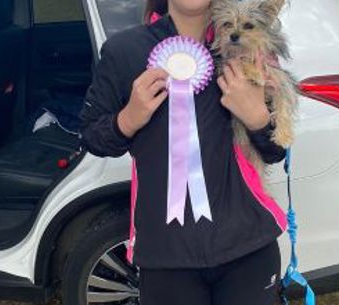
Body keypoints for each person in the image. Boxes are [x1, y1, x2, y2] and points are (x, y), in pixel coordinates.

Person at [78, 0, 288, 304]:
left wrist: (256, 119)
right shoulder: (125, 51)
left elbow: (275, 150)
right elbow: (91, 138)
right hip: (165, 255)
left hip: (249, 246)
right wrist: (128, 119)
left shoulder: (246, 48)